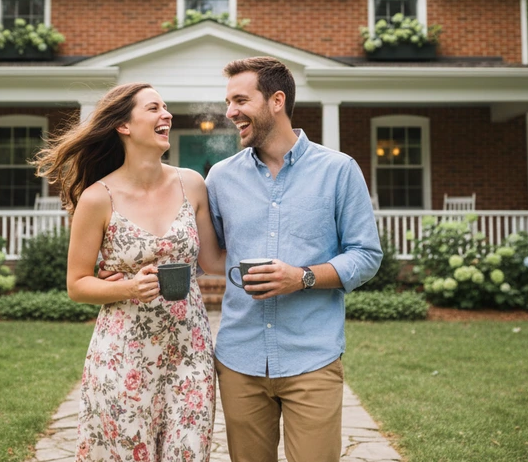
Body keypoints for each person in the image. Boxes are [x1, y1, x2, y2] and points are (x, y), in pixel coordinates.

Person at [35, 82, 225, 462]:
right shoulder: (98, 198)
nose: (166, 115)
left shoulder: (192, 184)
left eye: (166, 107)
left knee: (189, 453)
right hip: (123, 357)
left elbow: (214, 262)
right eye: (154, 108)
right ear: (123, 125)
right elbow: (77, 285)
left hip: (190, 352)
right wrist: (128, 288)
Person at [206, 57, 382, 462]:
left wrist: (302, 277)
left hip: (312, 358)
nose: (230, 112)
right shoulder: (220, 178)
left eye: (240, 100)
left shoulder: (338, 170)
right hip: (240, 359)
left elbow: (366, 255)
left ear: (277, 101)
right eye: (228, 102)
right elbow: (209, 256)